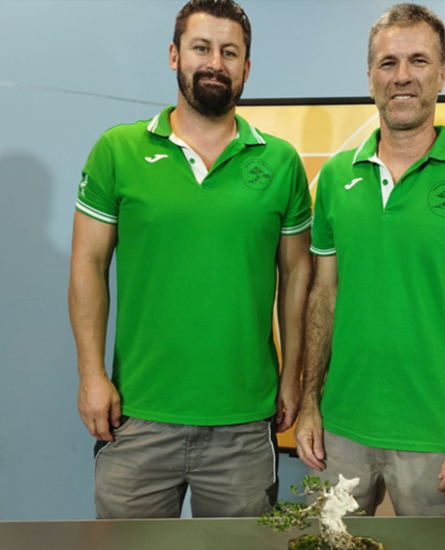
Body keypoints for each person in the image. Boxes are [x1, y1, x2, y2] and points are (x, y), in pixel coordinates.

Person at [69, 0, 312, 519]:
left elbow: (297, 276)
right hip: (137, 416)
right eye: (202, 48)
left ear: (247, 68)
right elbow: (87, 264)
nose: (215, 63)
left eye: (230, 52)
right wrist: (91, 373)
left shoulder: (281, 162)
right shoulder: (118, 151)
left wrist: (293, 374)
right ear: (175, 54)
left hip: (245, 422)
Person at [294, 4, 445, 517]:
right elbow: (323, 296)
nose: (402, 76)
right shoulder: (336, 177)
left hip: (440, 440)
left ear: (442, 74)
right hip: (342, 433)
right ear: (370, 76)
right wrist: (310, 401)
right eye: (388, 63)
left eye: (419, 61)